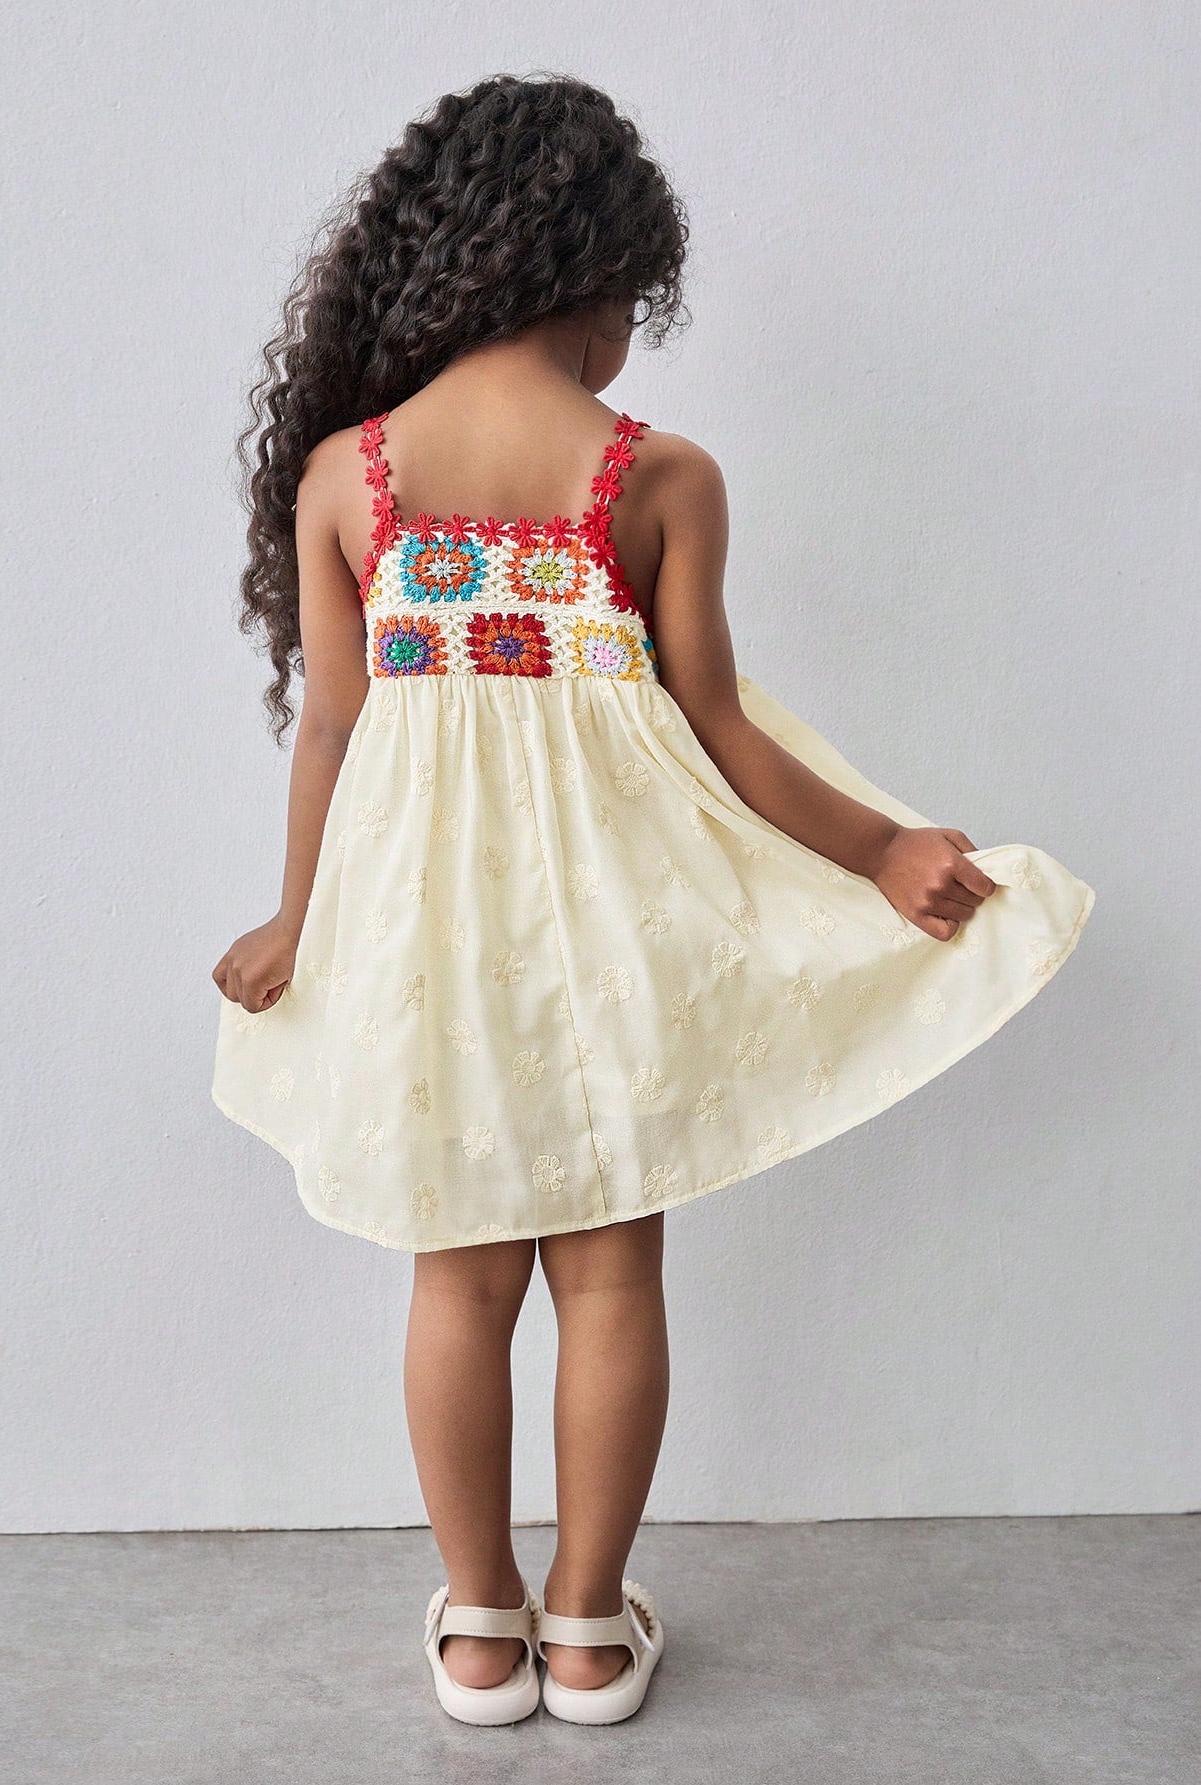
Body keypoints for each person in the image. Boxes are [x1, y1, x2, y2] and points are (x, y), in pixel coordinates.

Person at [210, 73, 1095, 1726]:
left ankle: (481, 1633)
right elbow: (724, 735)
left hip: (429, 949)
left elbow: (330, 728)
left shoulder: (352, 475)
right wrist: (883, 849)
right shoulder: (653, 476)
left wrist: (292, 920)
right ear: (597, 280)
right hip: (610, 939)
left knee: (459, 1278)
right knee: (612, 1273)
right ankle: (588, 1629)